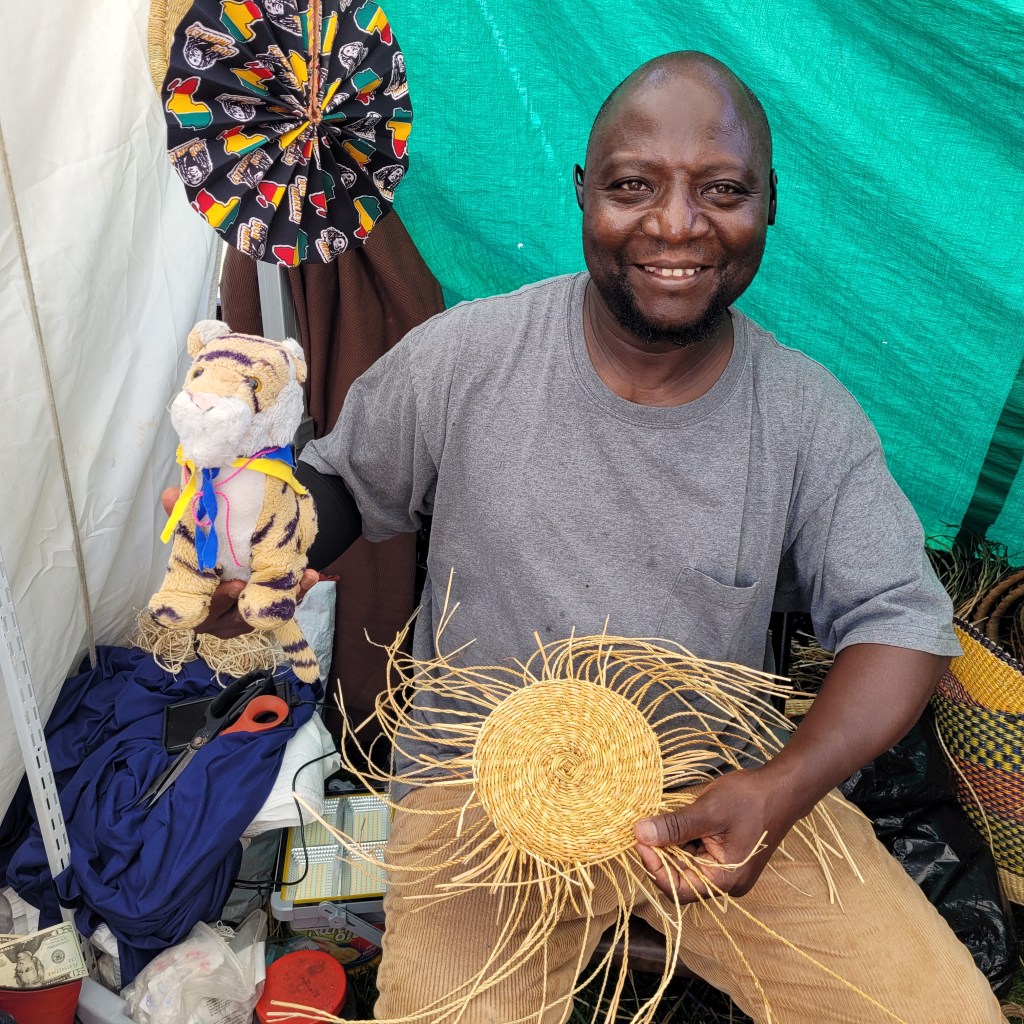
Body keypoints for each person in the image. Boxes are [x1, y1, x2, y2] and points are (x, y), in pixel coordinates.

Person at [194, 51, 1002, 1022]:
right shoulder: (468, 355)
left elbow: (903, 624)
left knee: (939, 1010)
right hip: (476, 793)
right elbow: (343, 486)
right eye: (633, 186)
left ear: (769, 204)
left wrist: (781, 788)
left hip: (714, 790)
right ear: (584, 193)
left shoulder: (805, 416)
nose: (675, 224)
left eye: (722, 190)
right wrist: (265, 536)